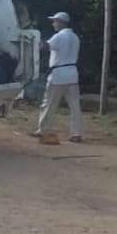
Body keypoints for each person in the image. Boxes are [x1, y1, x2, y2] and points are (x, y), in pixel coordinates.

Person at [34, 12, 83, 143]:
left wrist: (34, 39)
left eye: (55, 21)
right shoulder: (75, 37)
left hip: (58, 75)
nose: (53, 24)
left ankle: (43, 129)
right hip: (72, 74)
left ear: (61, 22)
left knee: (49, 103)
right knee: (74, 106)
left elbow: (44, 46)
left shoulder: (59, 36)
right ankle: (76, 133)